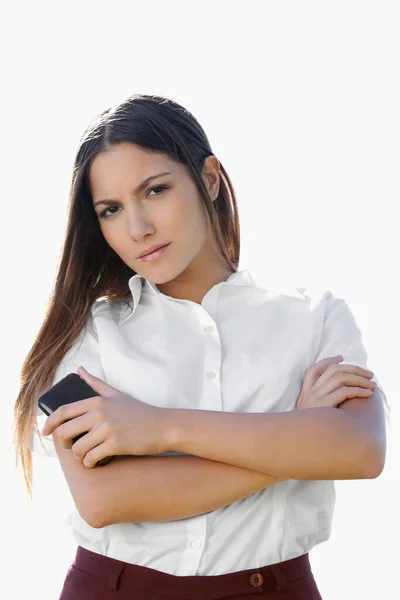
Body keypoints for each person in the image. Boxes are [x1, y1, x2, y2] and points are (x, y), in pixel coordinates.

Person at [13, 93, 389, 600]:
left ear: (209, 179)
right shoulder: (87, 334)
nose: (137, 227)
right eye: (111, 209)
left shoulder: (313, 317)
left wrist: (159, 426)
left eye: (155, 190)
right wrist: (298, 440)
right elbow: (104, 500)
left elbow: (360, 452)